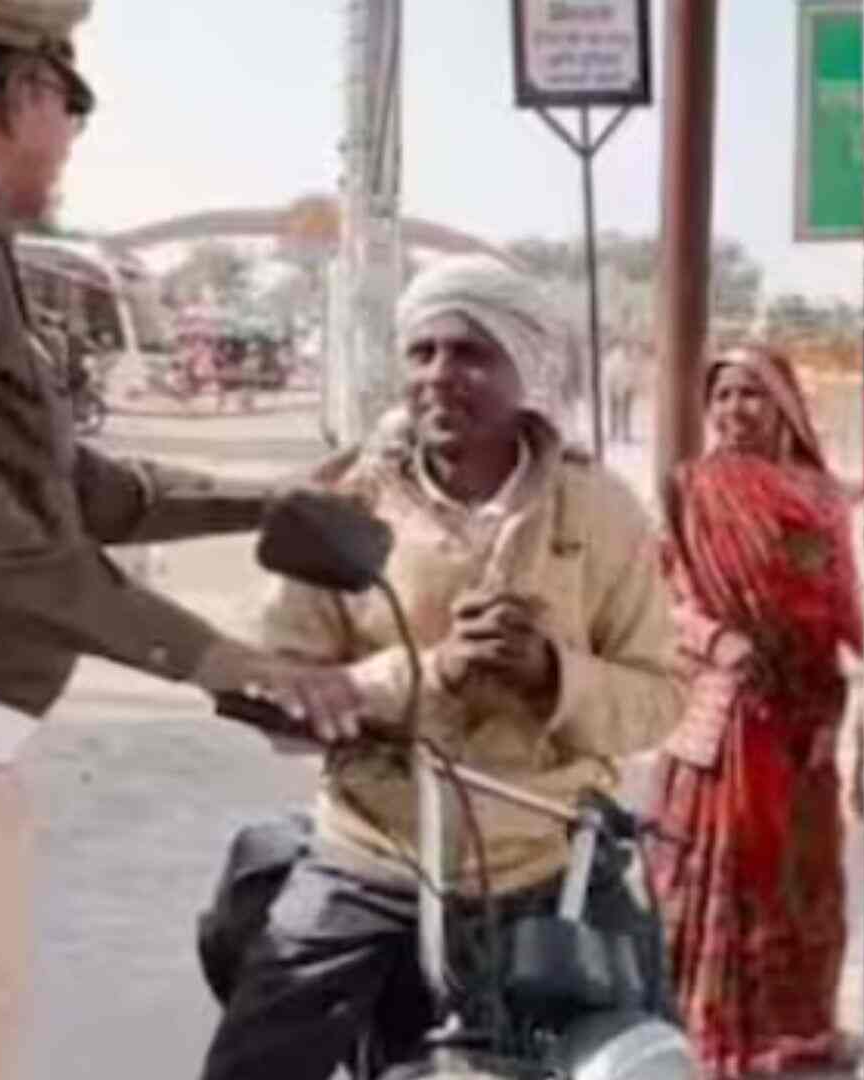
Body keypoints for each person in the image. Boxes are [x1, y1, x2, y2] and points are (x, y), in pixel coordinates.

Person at [0, 4, 362, 1075]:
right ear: (25, 93)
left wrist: (267, 499)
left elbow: (60, 485)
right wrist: (203, 651)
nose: (70, 145)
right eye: (73, 109)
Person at [200, 254, 685, 1080]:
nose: (438, 376)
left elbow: (661, 698)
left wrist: (551, 675)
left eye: (470, 354)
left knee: (648, 1058)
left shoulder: (601, 511)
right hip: (369, 855)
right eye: (422, 353)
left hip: (548, 860)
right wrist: (432, 672)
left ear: (524, 369)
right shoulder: (344, 501)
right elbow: (275, 690)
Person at [648, 345, 864, 1078]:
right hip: (726, 705)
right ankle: (707, 1031)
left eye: (751, 395)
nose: (734, 411)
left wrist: (838, 711)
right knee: (716, 865)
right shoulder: (692, 490)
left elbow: (834, 603)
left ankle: (791, 1030)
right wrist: (720, 640)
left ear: (784, 406)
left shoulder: (821, 497)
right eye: (723, 397)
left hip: (804, 708)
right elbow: (665, 599)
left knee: (796, 874)